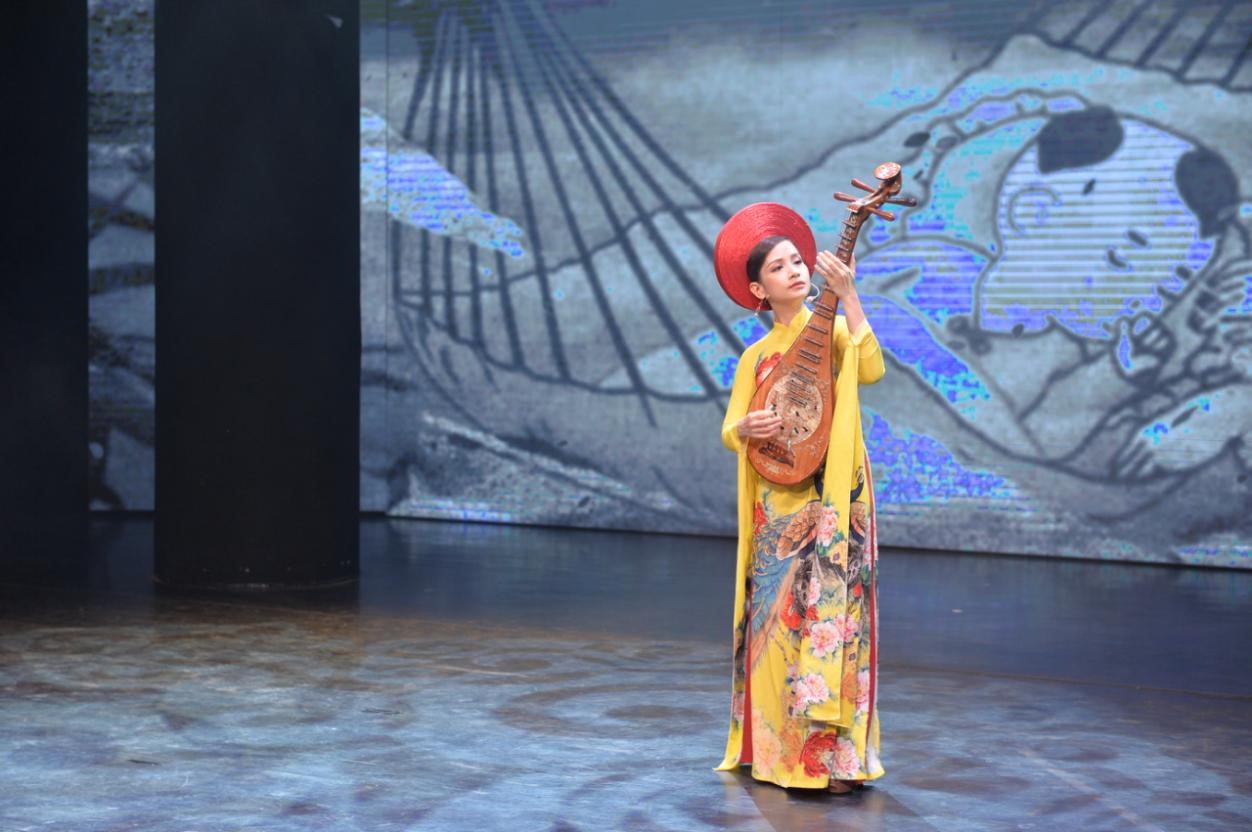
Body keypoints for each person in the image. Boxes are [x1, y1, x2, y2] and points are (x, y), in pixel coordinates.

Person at [712, 203, 886, 792]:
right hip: (777, 505)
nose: (793, 270)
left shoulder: (832, 330)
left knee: (833, 626)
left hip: (832, 500)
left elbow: (871, 369)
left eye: (796, 261)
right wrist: (746, 429)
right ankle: (781, 759)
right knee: (779, 632)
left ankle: (835, 762)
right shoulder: (756, 357)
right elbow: (731, 428)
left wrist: (849, 295)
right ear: (758, 290)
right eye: (778, 267)